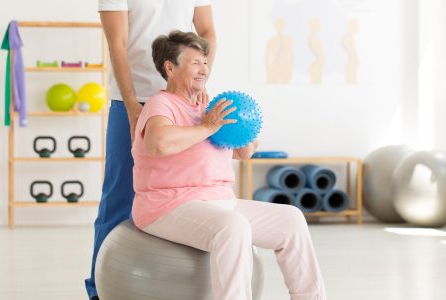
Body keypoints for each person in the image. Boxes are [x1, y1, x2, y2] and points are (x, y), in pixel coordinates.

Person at [131, 30, 326, 300]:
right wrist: (209, 126)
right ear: (170, 68)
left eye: (206, 63)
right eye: (195, 63)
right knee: (233, 227)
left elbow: (243, 152)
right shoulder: (160, 104)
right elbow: (159, 143)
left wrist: (246, 133)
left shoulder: (208, 110)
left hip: (220, 202)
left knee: (291, 220)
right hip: (168, 205)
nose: (204, 70)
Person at [86, 1, 216, 299]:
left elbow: (207, 30)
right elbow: (116, 44)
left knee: (189, 190)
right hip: (133, 100)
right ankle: (98, 291)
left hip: (183, 98)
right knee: (119, 195)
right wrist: (132, 106)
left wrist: (198, 77)